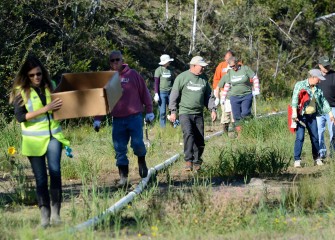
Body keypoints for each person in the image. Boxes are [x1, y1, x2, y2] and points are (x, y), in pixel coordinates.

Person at [9, 56, 70, 228]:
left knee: (56, 172)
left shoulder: (49, 85)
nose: (36, 77)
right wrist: (45, 109)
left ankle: (56, 215)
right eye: (32, 75)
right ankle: (44, 218)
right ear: (25, 76)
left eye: (39, 74)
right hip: (33, 141)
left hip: (53, 137)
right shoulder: (20, 92)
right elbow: (20, 117)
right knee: (41, 179)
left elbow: (61, 107)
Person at [93, 50, 154, 186]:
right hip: (118, 119)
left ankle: (141, 160)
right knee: (119, 149)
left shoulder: (133, 75)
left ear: (122, 60)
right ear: (109, 63)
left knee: (138, 144)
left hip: (135, 117)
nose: (115, 62)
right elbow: (103, 101)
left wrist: (149, 110)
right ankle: (123, 178)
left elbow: (144, 93)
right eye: (112, 60)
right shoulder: (108, 78)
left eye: (117, 59)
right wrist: (97, 119)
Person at [168, 56, 217, 171]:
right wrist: (173, 111)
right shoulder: (182, 77)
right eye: (202, 67)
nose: (203, 69)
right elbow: (174, 95)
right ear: (194, 66)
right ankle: (188, 160)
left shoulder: (203, 79)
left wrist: (213, 109)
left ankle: (197, 161)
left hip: (198, 113)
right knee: (189, 134)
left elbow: (208, 96)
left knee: (200, 139)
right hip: (185, 112)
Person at [291, 69, 334, 168]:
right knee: (300, 137)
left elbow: (323, 101)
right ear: (313, 77)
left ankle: (317, 158)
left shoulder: (318, 89)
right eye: (319, 79)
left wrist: (330, 114)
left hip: (312, 116)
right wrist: (294, 114)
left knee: (315, 137)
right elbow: (294, 99)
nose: (320, 81)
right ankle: (297, 160)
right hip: (300, 116)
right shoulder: (300, 85)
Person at [215, 56, 259, 137]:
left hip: (246, 95)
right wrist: (223, 98)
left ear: (237, 63)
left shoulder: (245, 69)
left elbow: (254, 77)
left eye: (234, 66)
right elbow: (227, 85)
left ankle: (250, 122)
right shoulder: (230, 73)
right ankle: (240, 135)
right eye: (231, 67)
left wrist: (256, 89)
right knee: (236, 116)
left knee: (245, 113)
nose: (233, 68)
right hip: (234, 97)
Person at [317, 56, 335, 159]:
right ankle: (321, 153)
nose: (327, 67)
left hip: (332, 109)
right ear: (319, 65)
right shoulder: (316, 76)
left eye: (328, 65)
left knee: (333, 132)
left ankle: (333, 154)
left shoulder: (333, 75)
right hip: (319, 110)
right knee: (319, 132)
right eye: (324, 66)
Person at [212, 50, 234, 134]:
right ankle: (225, 131)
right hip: (223, 92)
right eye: (227, 57)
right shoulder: (221, 66)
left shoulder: (238, 64)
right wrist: (216, 94)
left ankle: (237, 130)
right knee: (225, 112)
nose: (229, 59)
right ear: (225, 58)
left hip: (236, 92)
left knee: (235, 112)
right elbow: (216, 79)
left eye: (231, 57)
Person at [154, 54, 175, 127]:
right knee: (162, 111)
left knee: (172, 110)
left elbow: (173, 81)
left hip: (170, 93)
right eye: (168, 61)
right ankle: (163, 127)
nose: (169, 62)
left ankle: (173, 125)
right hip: (162, 93)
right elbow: (156, 83)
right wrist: (156, 93)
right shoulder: (158, 70)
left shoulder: (170, 70)